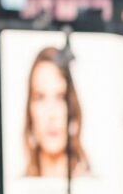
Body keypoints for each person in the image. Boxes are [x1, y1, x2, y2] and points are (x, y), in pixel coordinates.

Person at [22, 47, 90, 178]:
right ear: (29, 111)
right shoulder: (16, 189)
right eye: (40, 97)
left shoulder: (98, 189)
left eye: (60, 97)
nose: (51, 114)